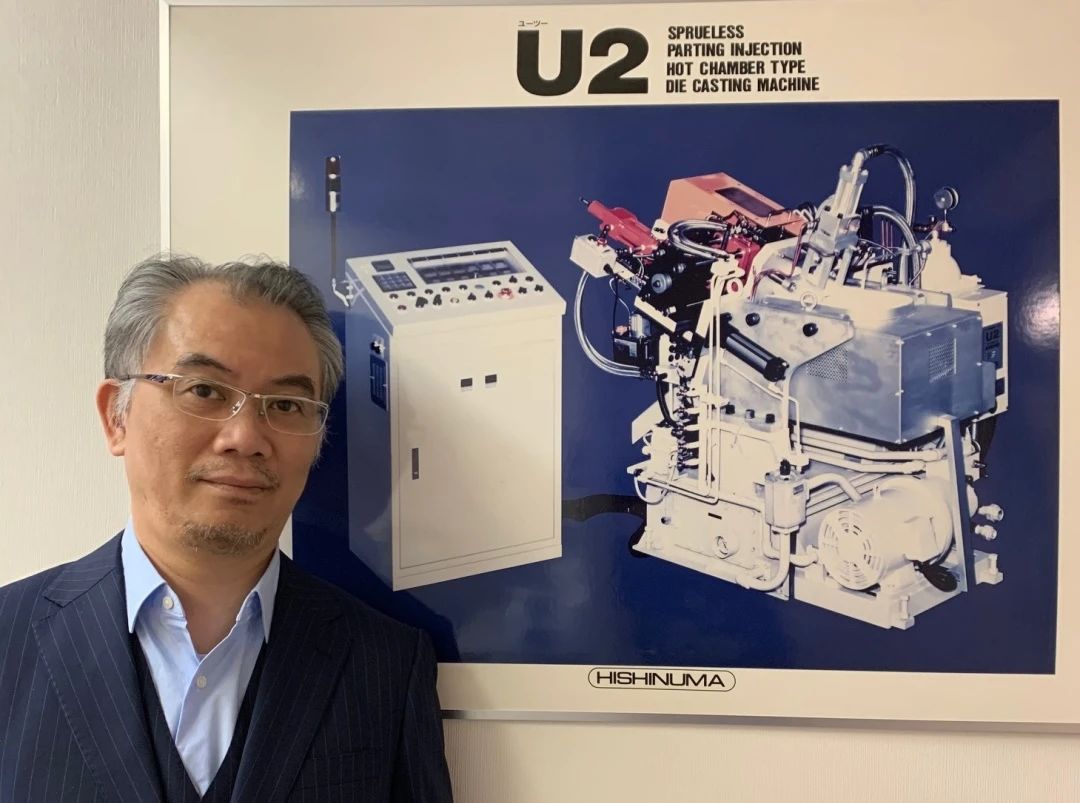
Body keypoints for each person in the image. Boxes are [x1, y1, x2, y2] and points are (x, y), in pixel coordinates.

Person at [0, 255, 454, 802]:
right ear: (116, 417)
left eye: (285, 404)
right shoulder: (9, 638)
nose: (245, 437)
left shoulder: (387, 663)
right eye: (204, 391)